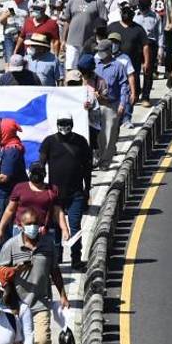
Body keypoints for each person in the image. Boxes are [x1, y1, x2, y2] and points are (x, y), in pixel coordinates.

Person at [0, 208, 69, 344]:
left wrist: (63, 294)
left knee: (43, 341)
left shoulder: (48, 244)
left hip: (40, 302)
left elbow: (55, 270)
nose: (33, 227)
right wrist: (16, 270)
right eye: (28, 224)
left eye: (36, 223)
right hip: (15, 305)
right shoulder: (11, 246)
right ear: (20, 226)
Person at [38, 115, 93, 270]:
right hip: (55, 195)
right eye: (61, 123)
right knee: (55, 228)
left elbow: (87, 169)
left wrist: (87, 190)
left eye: (67, 123)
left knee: (75, 227)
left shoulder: (81, 142)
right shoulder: (49, 142)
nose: (64, 126)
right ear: (57, 124)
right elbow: (41, 163)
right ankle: (57, 257)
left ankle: (76, 259)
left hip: (76, 193)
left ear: (72, 124)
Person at [93, 40, 128, 170]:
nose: (99, 54)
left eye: (102, 51)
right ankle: (97, 156)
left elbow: (124, 86)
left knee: (109, 134)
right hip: (96, 104)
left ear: (109, 51)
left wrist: (122, 104)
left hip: (111, 105)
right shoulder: (95, 65)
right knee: (97, 134)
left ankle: (105, 162)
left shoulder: (118, 66)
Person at [0, 119, 27, 243]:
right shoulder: (10, 146)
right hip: (9, 193)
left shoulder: (12, 149)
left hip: (6, 195)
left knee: (3, 232)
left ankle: (4, 260)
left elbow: (4, 177)